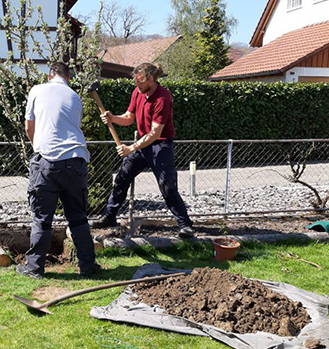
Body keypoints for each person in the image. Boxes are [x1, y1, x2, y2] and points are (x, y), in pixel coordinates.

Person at [16, 62, 100, 279]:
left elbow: (28, 126)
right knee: (78, 218)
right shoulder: (74, 96)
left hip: (47, 163)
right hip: (75, 161)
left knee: (42, 219)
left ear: (49, 75)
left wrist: (38, 149)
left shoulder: (37, 90)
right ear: (68, 78)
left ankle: (34, 269)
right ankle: (88, 267)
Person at [92, 63, 195, 239]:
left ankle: (185, 225)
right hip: (142, 144)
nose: (137, 85)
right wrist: (113, 118)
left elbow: (155, 133)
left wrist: (131, 148)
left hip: (160, 146)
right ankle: (109, 216)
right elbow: (129, 117)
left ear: (151, 79)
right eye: (135, 81)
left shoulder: (163, 98)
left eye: (140, 82)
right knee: (122, 177)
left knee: (167, 186)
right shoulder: (137, 93)